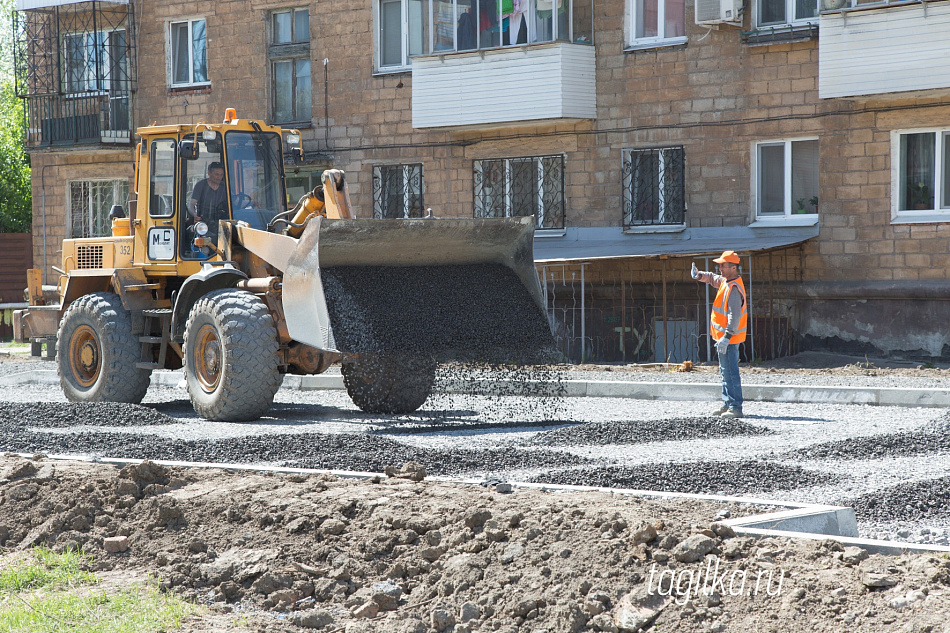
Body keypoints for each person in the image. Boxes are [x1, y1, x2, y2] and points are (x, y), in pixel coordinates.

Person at [691, 250, 748, 419]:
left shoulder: (734, 289)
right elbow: (713, 278)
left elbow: (734, 316)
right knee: (725, 371)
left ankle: (735, 407)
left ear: (733, 267)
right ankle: (727, 404)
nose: (720, 268)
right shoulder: (727, 281)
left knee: (730, 372)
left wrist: (726, 337)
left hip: (728, 339)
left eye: (723, 265)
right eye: (720, 265)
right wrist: (699, 275)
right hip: (724, 339)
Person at [188, 162, 228, 229]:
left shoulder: (225, 187)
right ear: (209, 173)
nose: (219, 177)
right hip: (204, 221)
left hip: (222, 221)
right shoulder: (200, 185)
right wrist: (195, 215)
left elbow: (235, 202)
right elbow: (191, 204)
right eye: (217, 174)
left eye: (221, 175)